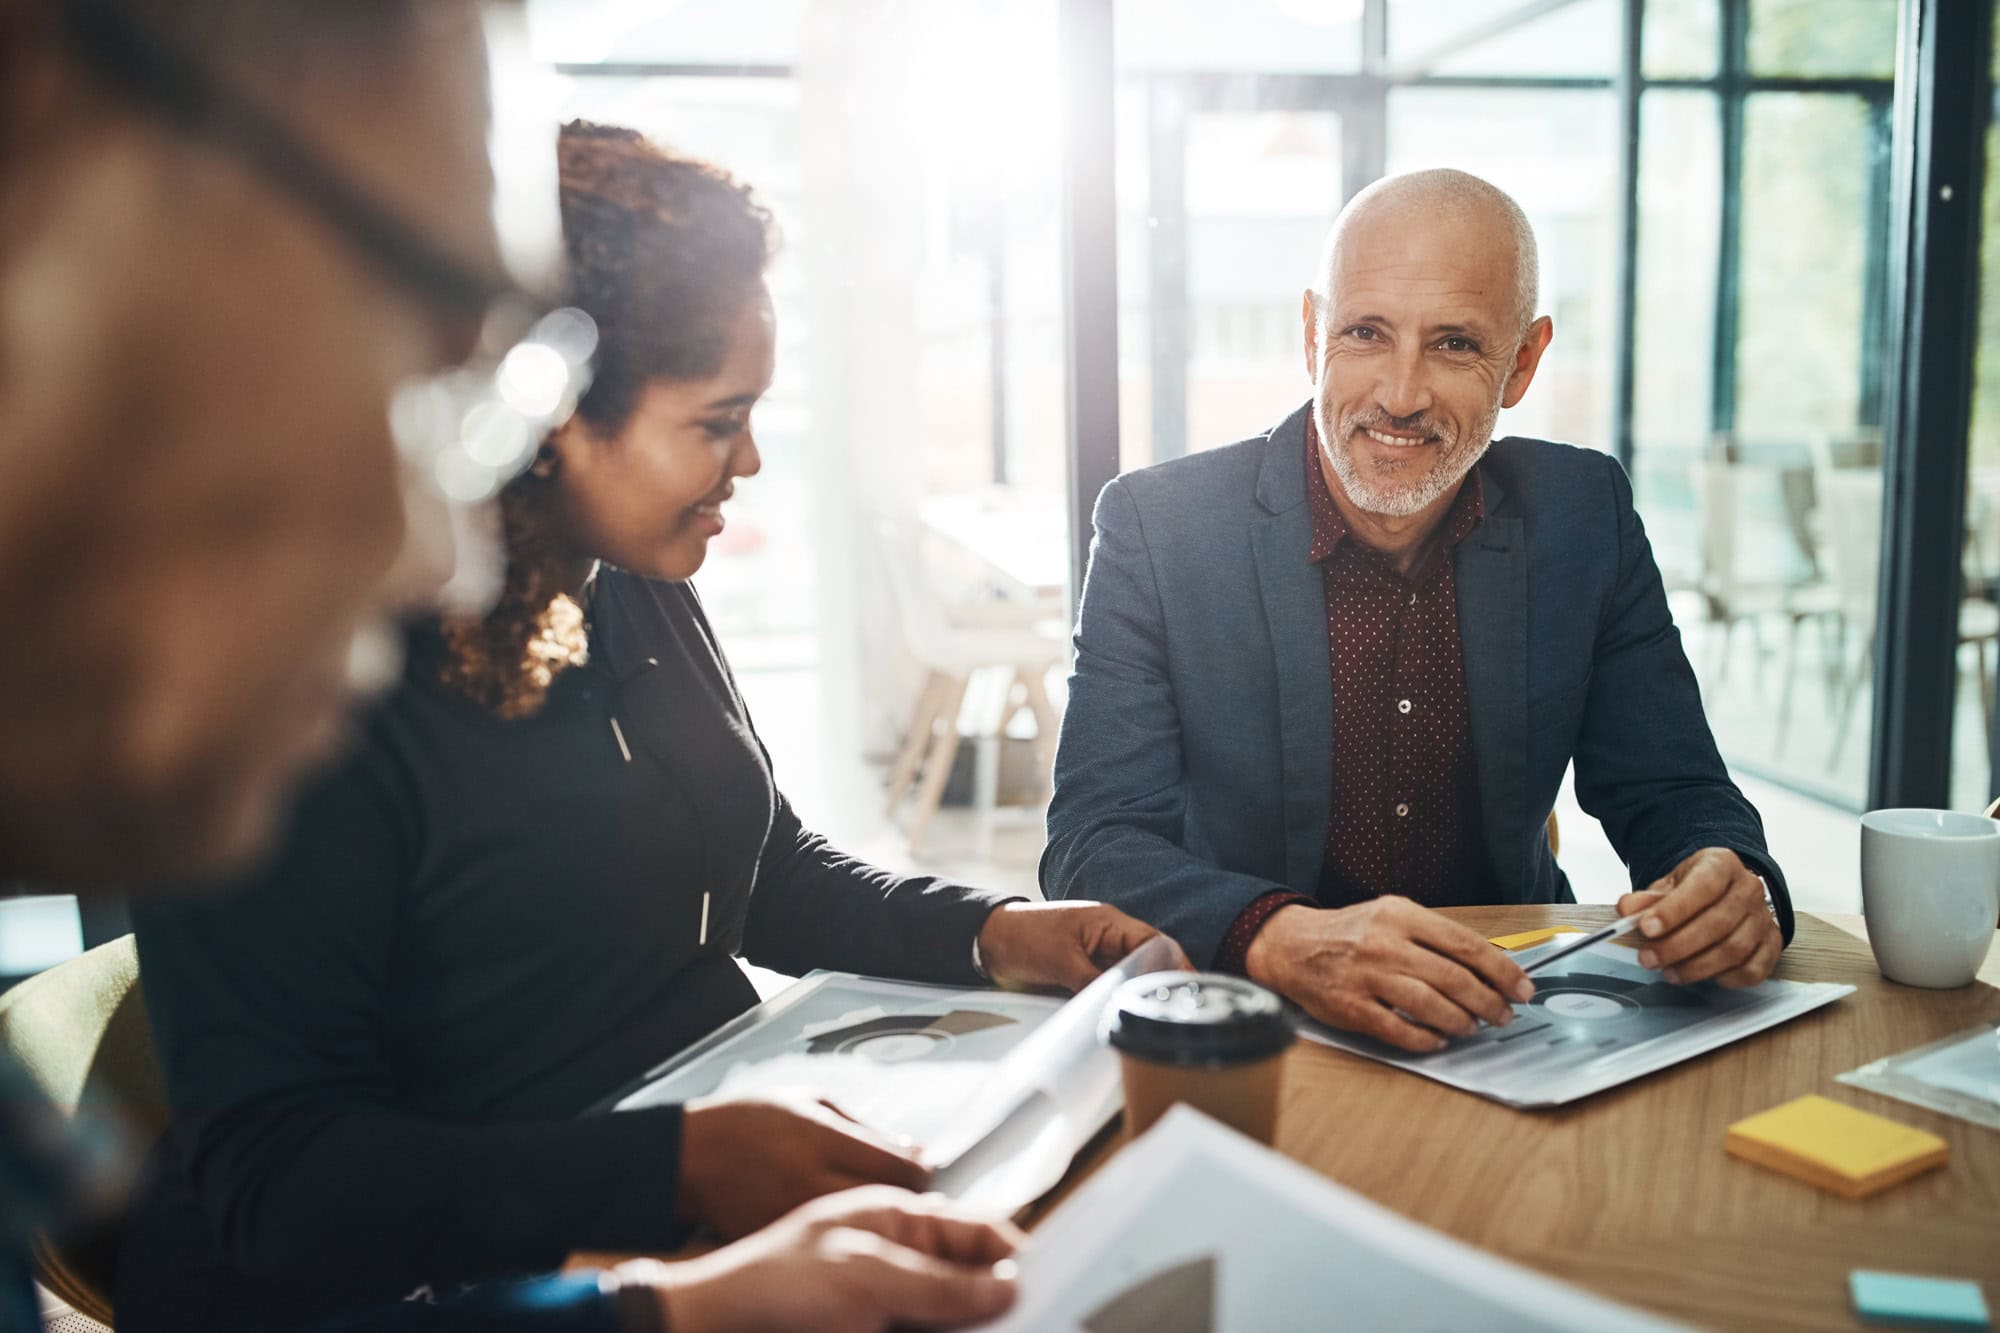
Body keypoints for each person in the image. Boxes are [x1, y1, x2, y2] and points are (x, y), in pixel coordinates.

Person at [1, 4, 1032, 1331]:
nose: (440, 554)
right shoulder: (335, 691)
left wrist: (989, 932)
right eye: (416, 362)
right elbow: (280, 1191)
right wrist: (671, 1267)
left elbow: (757, 864)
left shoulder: (626, 589)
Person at [1043, 168, 1791, 1055]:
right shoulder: (1158, 528)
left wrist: (1728, 875)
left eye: (1454, 345)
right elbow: (1093, 844)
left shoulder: (1583, 513)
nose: (1400, 395)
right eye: (1365, 332)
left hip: (1514, 1016)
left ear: (1522, 362)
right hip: (1255, 1027)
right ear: (1314, 333)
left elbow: (1673, 791)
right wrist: (1277, 933)